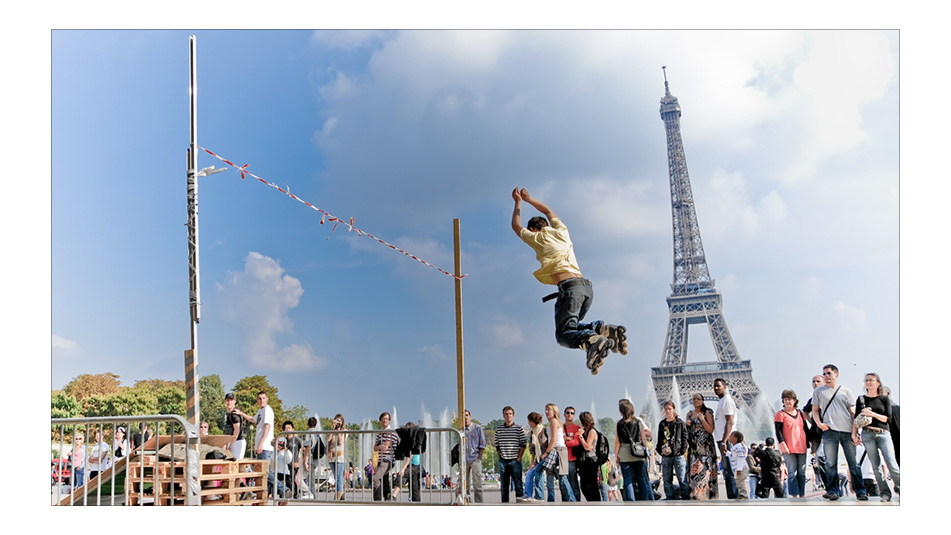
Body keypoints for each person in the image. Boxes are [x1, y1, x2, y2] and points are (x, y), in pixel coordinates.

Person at [510, 187, 628, 374]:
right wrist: (529, 199)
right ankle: (601, 329)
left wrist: (517, 203)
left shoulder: (537, 237)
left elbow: (516, 227)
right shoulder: (562, 231)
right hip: (586, 288)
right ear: (547, 224)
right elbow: (548, 211)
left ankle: (594, 339)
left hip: (569, 289)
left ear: (533, 229)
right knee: (571, 328)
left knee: (563, 335)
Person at [812, 364, 867, 500]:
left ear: (836, 374)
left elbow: (852, 412)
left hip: (847, 431)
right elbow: (815, 411)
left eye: (829, 373)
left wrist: (856, 432)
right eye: (824, 374)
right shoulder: (818, 392)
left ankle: (861, 491)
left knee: (853, 463)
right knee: (830, 464)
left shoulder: (846, 391)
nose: (826, 376)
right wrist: (820, 424)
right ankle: (833, 490)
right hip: (830, 431)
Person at [854, 372, 900, 501]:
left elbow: (887, 419)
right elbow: (856, 419)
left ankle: (901, 487)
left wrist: (872, 414)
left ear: (878, 383)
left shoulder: (883, 399)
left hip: (883, 434)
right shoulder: (861, 399)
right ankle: (885, 493)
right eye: (867, 380)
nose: (868, 382)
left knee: (892, 465)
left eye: (871, 380)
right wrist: (854, 434)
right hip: (867, 434)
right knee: (876, 466)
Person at [239, 391, 287, 499]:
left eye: (263, 398)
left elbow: (268, 427)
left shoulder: (268, 410)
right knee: (266, 472)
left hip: (264, 446)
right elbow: (252, 419)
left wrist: (261, 443)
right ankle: (268, 495)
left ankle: (283, 489)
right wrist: (241, 413)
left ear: (267, 399)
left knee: (263, 471)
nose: (261, 400)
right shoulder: (261, 411)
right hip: (262, 446)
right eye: (259, 398)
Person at [615, 399, 653, 501]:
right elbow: (643, 439)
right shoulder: (638, 422)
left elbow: (617, 442)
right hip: (638, 453)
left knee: (627, 480)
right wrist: (646, 453)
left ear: (621, 411)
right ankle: (645, 500)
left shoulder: (619, 424)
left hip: (624, 453)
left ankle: (631, 501)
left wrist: (616, 456)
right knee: (641, 479)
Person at [774, 389, 808, 497]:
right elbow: (778, 431)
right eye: (785, 399)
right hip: (789, 447)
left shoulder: (800, 414)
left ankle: (802, 494)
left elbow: (806, 429)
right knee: (792, 472)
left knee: (802, 473)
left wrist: (810, 443)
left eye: (790, 399)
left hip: (801, 446)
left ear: (794, 401)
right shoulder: (780, 414)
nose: (787, 402)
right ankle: (794, 495)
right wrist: (783, 445)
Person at [539, 403, 576, 502]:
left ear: (554, 411)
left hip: (557, 451)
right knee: (555, 477)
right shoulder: (555, 421)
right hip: (556, 450)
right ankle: (569, 500)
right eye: (546, 410)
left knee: (561, 478)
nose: (546, 412)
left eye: (549, 410)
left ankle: (571, 500)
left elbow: (554, 439)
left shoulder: (554, 421)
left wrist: (546, 452)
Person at [685, 393, 718, 500]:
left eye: (698, 399)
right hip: (694, 448)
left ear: (702, 400)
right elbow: (687, 432)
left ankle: (706, 496)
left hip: (706, 447)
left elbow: (710, 430)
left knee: (705, 472)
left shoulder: (707, 412)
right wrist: (686, 425)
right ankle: (696, 496)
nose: (695, 401)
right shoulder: (689, 414)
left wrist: (702, 419)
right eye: (694, 399)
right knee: (695, 473)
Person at [657, 400, 689, 500]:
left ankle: (685, 497)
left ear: (673, 409)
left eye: (669, 409)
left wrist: (682, 451)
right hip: (666, 455)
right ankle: (670, 498)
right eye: (666, 409)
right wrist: (660, 451)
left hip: (678, 454)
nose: (667, 411)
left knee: (682, 478)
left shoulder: (680, 423)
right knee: (667, 479)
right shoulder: (662, 424)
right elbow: (659, 438)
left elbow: (685, 438)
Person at [494, 406, 527, 503]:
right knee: (504, 487)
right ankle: (505, 505)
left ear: (513, 415)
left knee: (518, 486)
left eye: (510, 414)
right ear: (503, 416)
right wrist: (500, 457)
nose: (508, 416)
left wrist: (519, 457)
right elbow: (497, 445)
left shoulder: (518, 428)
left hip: (515, 460)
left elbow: (523, 444)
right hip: (503, 460)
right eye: (506, 414)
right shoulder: (499, 429)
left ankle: (519, 505)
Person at [713, 378, 738, 500]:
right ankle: (732, 496)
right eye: (715, 386)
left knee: (729, 470)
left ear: (725, 386)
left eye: (719, 386)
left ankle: (734, 497)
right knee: (727, 471)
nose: (716, 388)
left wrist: (724, 441)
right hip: (723, 439)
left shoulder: (727, 400)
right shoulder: (722, 401)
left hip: (726, 440)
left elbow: (730, 422)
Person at [372, 411, 399, 501]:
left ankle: (377, 500)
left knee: (376, 478)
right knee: (384, 480)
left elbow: (386, 445)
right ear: (380, 420)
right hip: (381, 459)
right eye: (383, 418)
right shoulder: (380, 434)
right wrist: (380, 446)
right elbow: (375, 448)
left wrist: (381, 446)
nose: (385, 420)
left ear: (389, 421)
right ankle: (388, 498)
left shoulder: (391, 432)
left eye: (387, 418)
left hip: (388, 459)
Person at [576, 411, 602, 502]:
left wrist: (580, 436)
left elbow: (588, 447)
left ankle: (596, 503)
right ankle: (591, 502)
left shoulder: (592, 431)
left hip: (591, 461)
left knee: (592, 485)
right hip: (584, 461)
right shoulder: (586, 431)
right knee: (584, 486)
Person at [462, 409, 486, 503]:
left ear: (470, 416)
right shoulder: (461, 430)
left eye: (467, 415)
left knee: (477, 485)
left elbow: (482, 444)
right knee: (465, 485)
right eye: (463, 416)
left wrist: (478, 458)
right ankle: (467, 503)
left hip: (475, 458)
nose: (465, 417)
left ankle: (479, 504)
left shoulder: (477, 428)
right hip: (464, 460)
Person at [561, 406, 582, 501]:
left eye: (572, 413)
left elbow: (576, 442)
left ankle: (576, 502)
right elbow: (557, 442)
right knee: (563, 484)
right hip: (562, 459)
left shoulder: (577, 428)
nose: (570, 414)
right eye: (568, 412)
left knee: (573, 483)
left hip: (572, 459)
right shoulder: (560, 428)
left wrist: (564, 442)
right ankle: (565, 502)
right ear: (564, 414)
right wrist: (566, 440)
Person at [327, 414, 347, 501]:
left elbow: (340, 440)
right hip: (332, 456)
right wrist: (333, 429)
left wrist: (338, 430)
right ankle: (341, 494)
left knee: (339, 477)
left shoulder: (344, 431)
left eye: (340, 420)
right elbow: (328, 440)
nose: (338, 422)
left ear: (342, 422)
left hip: (340, 456)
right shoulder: (332, 431)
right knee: (336, 477)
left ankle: (338, 496)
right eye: (336, 420)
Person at [281, 421, 303, 498]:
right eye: (285, 428)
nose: (287, 430)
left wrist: (299, 462)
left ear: (293, 429)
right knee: (286, 480)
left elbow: (303, 451)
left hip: (294, 464)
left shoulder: (297, 440)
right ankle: (288, 495)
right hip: (284, 464)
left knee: (291, 479)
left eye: (289, 428)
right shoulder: (283, 440)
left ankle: (296, 495)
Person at [223, 393, 247, 459]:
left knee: (236, 463)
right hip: (234, 441)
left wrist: (231, 444)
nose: (229, 402)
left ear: (234, 401)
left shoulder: (234, 414)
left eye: (231, 400)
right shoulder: (229, 414)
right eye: (227, 400)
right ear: (225, 402)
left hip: (237, 441)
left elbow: (237, 429)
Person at [727, 431, 750, 499]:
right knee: (738, 482)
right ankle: (741, 494)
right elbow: (733, 455)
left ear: (735, 438)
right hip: (738, 468)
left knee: (739, 481)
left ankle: (744, 495)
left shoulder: (738, 447)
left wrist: (739, 469)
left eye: (731, 436)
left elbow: (741, 458)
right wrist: (726, 452)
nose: (729, 437)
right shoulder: (735, 447)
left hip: (741, 468)